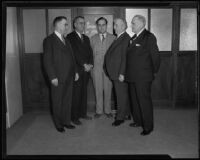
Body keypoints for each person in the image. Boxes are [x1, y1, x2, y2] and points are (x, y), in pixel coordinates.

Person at [126, 15, 161, 135]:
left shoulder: (149, 37)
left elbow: (155, 57)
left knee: (144, 102)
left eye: (133, 23)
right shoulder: (134, 37)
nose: (131, 25)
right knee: (135, 101)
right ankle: (138, 121)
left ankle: (148, 126)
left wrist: (153, 72)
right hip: (132, 75)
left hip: (143, 76)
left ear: (141, 24)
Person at [43, 16, 79, 133]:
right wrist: (52, 77)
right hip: (57, 78)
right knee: (57, 101)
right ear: (58, 25)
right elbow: (47, 60)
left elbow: (72, 58)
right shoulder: (49, 40)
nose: (67, 26)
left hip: (69, 76)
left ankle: (66, 121)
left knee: (67, 101)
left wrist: (75, 72)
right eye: (65, 24)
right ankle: (59, 124)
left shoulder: (66, 40)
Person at [67, 16, 94, 125]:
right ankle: (74, 117)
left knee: (84, 93)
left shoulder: (86, 38)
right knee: (76, 94)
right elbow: (74, 54)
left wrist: (91, 64)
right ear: (75, 25)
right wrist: (84, 64)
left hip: (86, 70)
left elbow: (90, 52)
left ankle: (83, 113)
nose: (83, 25)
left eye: (84, 23)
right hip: (77, 70)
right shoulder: (70, 37)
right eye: (80, 23)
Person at [104, 18, 131, 126]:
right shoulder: (119, 37)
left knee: (120, 95)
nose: (114, 27)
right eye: (114, 24)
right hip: (115, 72)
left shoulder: (125, 38)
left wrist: (122, 73)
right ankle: (126, 113)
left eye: (116, 25)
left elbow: (125, 57)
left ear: (124, 26)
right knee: (123, 95)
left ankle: (120, 118)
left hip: (119, 73)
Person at [90, 17, 115, 118]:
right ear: (97, 26)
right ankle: (99, 111)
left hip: (109, 69)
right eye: (99, 25)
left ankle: (108, 110)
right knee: (98, 90)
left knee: (108, 89)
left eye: (103, 25)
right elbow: (90, 54)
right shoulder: (92, 38)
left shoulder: (113, 38)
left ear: (106, 25)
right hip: (96, 68)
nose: (101, 27)